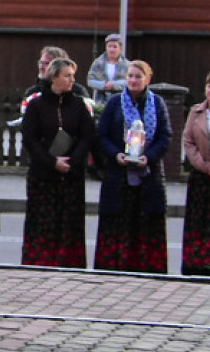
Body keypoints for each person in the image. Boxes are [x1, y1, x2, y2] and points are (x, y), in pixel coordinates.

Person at [94, 60, 170, 273]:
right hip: (119, 175)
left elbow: (166, 136)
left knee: (146, 220)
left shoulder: (157, 104)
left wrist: (150, 157)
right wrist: (115, 154)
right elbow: (102, 135)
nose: (133, 80)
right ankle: (114, 266)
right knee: (118, 219)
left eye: (138, 76)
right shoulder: (115, 102)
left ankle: (147, 267)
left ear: (147, 79)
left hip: (148, 174)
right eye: (130, 76)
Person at [20, 57, 94, 268]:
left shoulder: (79, 105)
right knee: (43, 223)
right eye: (67, 76)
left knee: (69, 223)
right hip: (44, 175)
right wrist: (52, 162)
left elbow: (87, 136)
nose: (71, 80)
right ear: (54, 77)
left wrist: (72, 160)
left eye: (73, 76)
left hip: (71, 175)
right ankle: (40, 261)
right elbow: (30, 140)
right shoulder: (36, 105)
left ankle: (69, 262)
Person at [182, 72, 210, 276]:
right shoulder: (196, 112)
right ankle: (197, 263)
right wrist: (202, 164)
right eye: (209, 85)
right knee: (198, 222)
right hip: (201, 176)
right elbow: (188, 141)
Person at [87, 33, 130, 104]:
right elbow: (90, 81)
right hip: (100, 101)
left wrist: (114, 85)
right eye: (109, 46)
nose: (112, 49)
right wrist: (103, 85)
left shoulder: (127, 65)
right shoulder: (98, 63)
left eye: (115, 47)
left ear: (120, 49)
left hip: (120, 101)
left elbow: (129, 82)